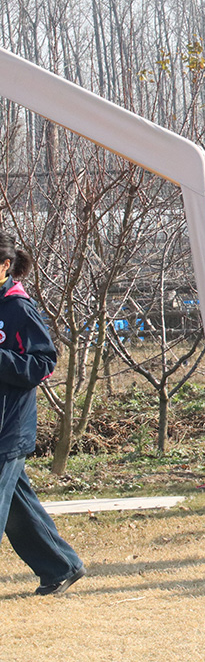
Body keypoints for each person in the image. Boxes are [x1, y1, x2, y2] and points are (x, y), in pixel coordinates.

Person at [0, 233, 86, 596]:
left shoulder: (19, 308)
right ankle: (60, 566)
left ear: (4, 266)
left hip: (9, 427)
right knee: (18, 509)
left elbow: (43, 363)